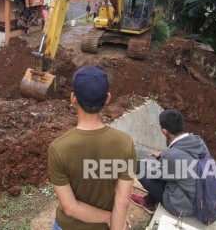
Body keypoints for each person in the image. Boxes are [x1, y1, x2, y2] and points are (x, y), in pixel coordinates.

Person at [48, 66, 137, 230]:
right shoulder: (126, 144)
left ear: (73, 98)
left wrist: (107, 218)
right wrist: (113, 220)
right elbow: (123, 201)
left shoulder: (58, 148)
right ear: (108, 98)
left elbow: (70, 207)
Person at [130, 109, 205, 217]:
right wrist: (161, 157)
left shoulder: (172, 155)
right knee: (163, 168)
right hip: (199, 197)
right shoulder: (198, 142)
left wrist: (150, 159)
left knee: (138, 166)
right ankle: (149, 201)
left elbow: (154, 173)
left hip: (184, 206)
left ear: (164, 131)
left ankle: (148, 203)